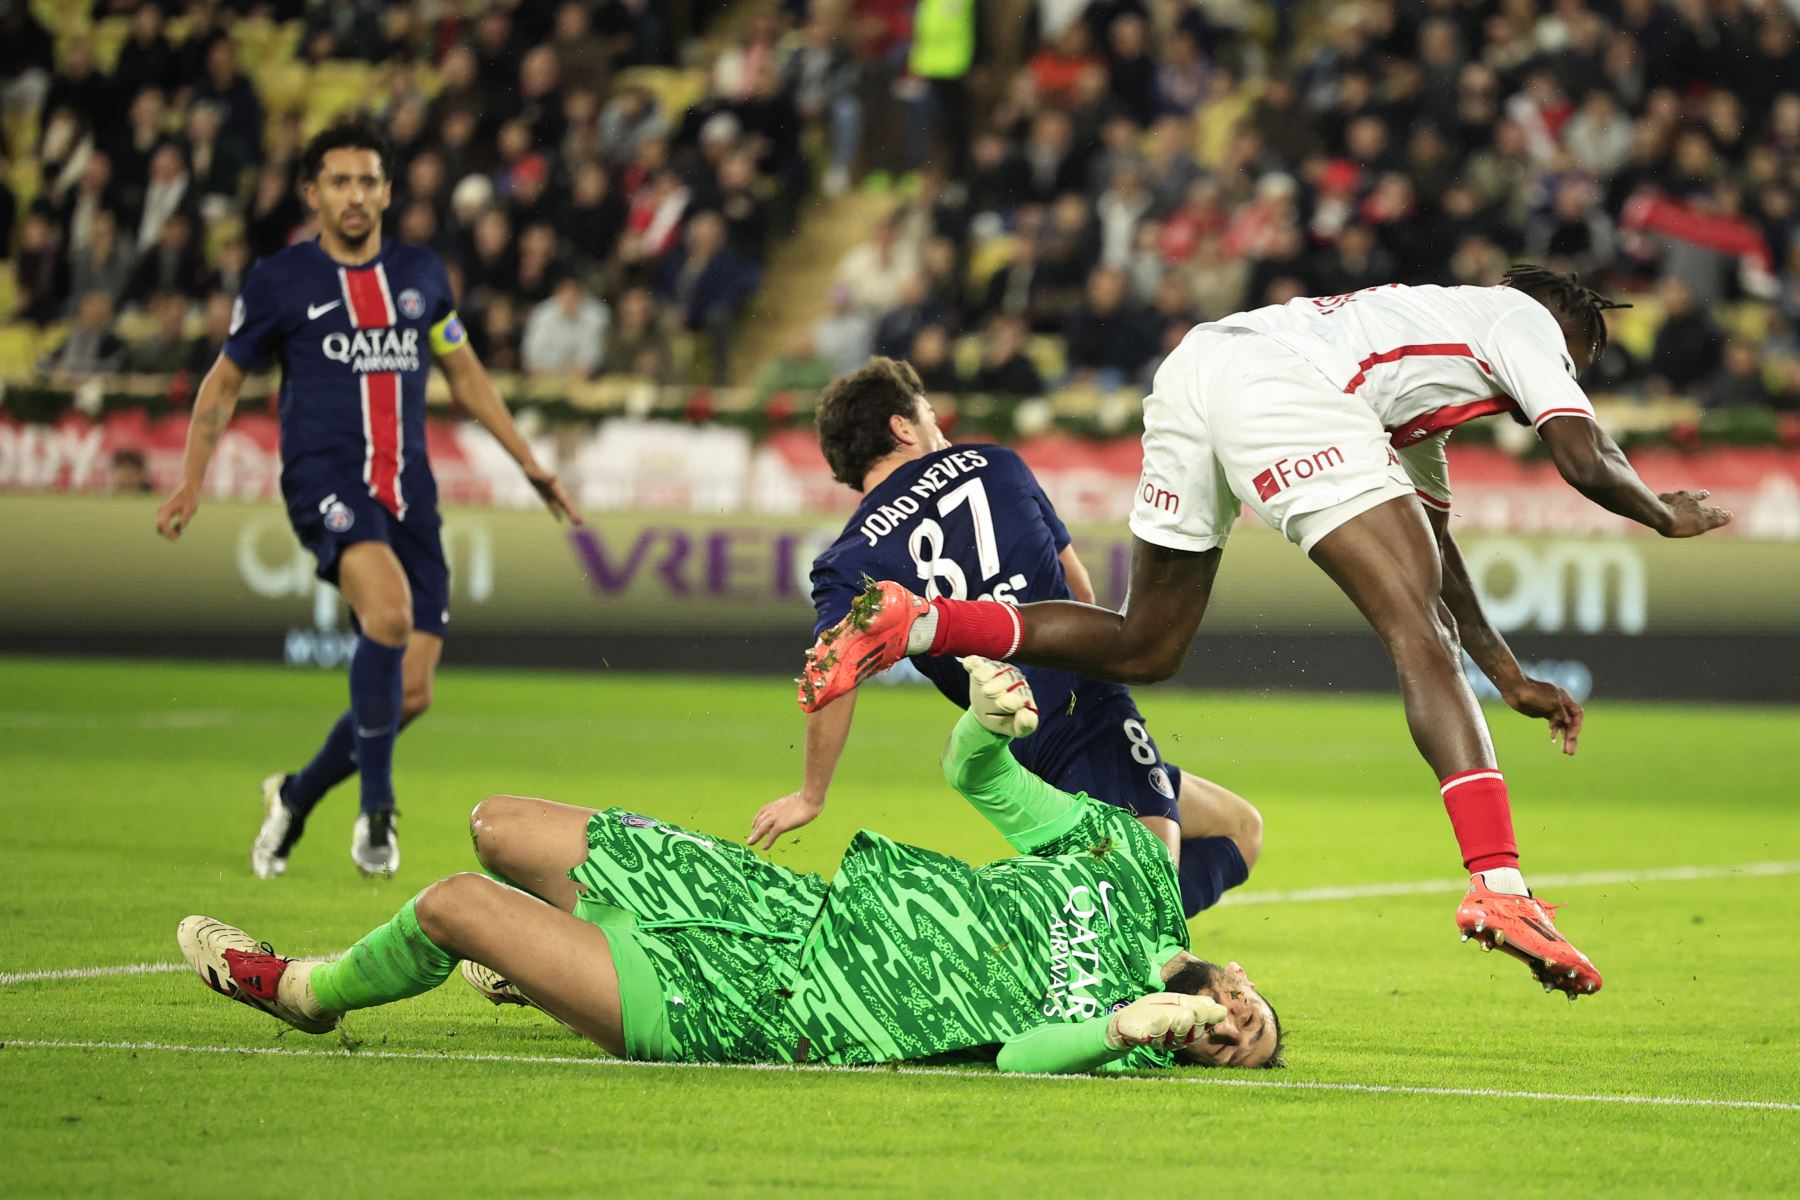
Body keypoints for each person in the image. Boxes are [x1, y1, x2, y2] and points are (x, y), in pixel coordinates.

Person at [800, 267, 1737, 999]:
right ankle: (1498, 879)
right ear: (1556, 319)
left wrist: (1510, 672)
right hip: (1273, 385)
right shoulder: (1521, 319)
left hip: (1198, 370)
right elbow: (1583, 451)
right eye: (1581, 354)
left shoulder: (1420, 376)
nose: (1571, 372)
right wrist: (1663, 515)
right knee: (1412, 634)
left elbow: (1436, 556)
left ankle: (922, 621)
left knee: (1144, 644)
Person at [177, 658, 1282, 1072]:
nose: (1232, 1033)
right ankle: (552, 970)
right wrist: (988, 725)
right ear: (1240, 983)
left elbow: (1022, 1058)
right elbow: (983, 784)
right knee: (495, 827)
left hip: (757, 1005)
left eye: (1236, 1056)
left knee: (458, 903)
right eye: (1254, 1020)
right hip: (768, 904)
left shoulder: (1125, 1044)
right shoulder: (1131, 875)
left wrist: (1126, 1026)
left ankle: (308, 993)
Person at [154, 120, 582, 880]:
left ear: (387, 191)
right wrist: (193, 477)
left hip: (408, 490)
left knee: (410, 693)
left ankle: (295, 793)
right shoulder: (279, 282)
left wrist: (528, 464)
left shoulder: (420, 274)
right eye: (340, 182)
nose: (357, 196)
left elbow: (466, 371)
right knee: (386, 615)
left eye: (369, 181)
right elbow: (223, 383)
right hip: (326, 479)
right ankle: (377, 814)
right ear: (312, 192)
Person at [755, 357, 1262, 920]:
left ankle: (1088, 938)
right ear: (902, 427)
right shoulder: (995, 465)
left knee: (1239, 829)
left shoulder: (846, 559)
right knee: (1149, 888)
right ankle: (1091, 965)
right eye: (929, 417)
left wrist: (812, 794)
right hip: (1081, 705)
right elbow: (1078, 589)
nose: (939, 431)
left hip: (1009, 746)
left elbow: (833, 670)